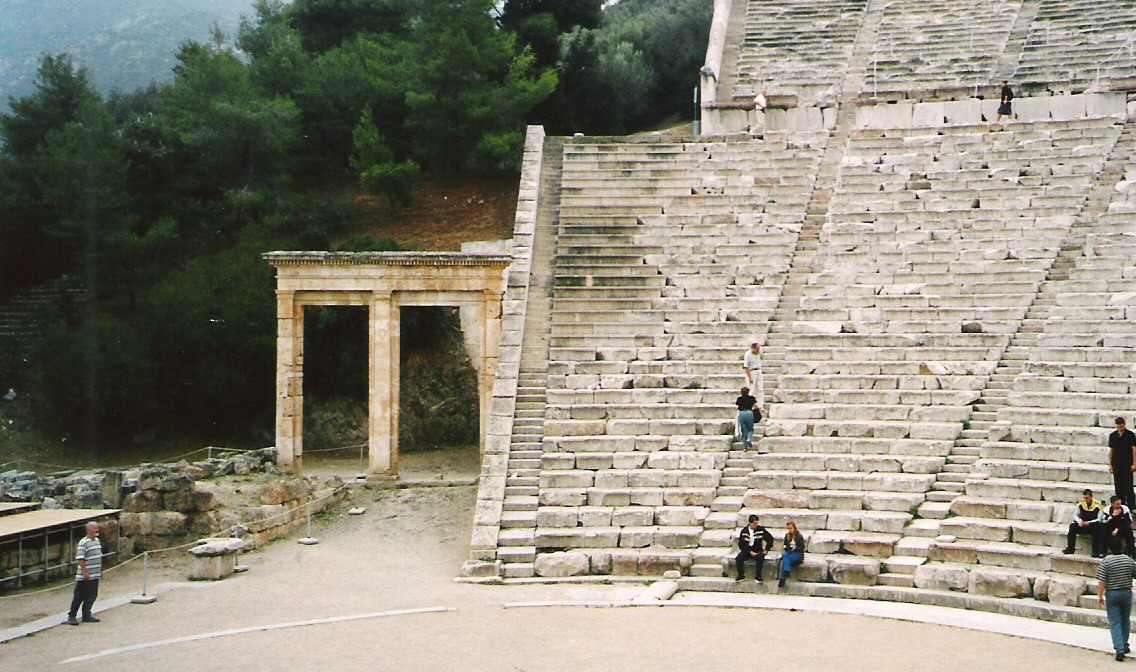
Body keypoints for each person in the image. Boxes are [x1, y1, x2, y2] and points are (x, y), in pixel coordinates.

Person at [1098, 537, 1136, 661]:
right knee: (1125, 620)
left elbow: (1102, 580)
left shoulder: (1106, 561)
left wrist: (1100, 595)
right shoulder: (1129, 560)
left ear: (1109, 548)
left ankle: (1119, 649)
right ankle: (1125, 644)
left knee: (1115, 621)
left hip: (1112, 593)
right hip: (1126, 592)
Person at [66, 521, 103, 626]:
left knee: (92, 595)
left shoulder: (97, 541)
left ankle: (86, 614)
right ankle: (72, 616)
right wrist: (85, 572)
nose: (97, 530)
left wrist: (100, 569)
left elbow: (99, 556)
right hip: (85, 576)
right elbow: (81, 559)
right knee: (79, 596)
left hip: (95, 574)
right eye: (95, 528)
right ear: (89, 530)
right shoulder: (83, 542)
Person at [1064, 488, 1106, 557]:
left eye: (1087, 498)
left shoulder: (1097, 505)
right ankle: (1070, 548)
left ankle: (1095, 551)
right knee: (1072, 526)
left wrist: (1089, 522)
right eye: (1084, 498)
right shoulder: (1081, 504)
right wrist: (1079, 521)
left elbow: (1099, 519)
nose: (1086, 500)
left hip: (1092, 525)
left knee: (1098, 527)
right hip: (1083, 525)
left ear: (1091, 497)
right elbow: (1075, 515)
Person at [736, 514, 775, 582]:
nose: (756, 525)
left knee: (760, 557)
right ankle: (741, 575)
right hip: (747, 550)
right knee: (739, 558)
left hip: (758, 550)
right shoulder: (744, 531)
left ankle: (758, 576)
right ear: (750, 523)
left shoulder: (761, 530)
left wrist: (767, 549)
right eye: (754, 523)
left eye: (757, 523)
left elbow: (770, 539)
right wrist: (750, 552)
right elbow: (741, 544)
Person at [1110, 417, 1136, 509]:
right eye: (1118, 427)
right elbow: (1111, 450)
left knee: (1128, 485)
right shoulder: (1113, 435)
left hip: (1127, 463)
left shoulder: (1130, 435)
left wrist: (1134, 463)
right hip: (1117, 464)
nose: (1120, 429)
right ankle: (1121, 505)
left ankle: (1132, 506)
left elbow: (1134, 449)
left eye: (1121, 426)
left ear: (1124, 425)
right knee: (1118, 486)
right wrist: (1110, 464)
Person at [778, 521, 806, 588]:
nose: (790, 530)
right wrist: (786, 547)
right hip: (789, 552)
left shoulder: (799, 536)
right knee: (785, 556)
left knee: (786, 561)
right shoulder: (787, 536)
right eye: (788, 529)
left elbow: (802, 547)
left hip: (797, 553)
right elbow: (785, 544)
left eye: (791, 528)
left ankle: (782, 578)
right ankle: (786, 572)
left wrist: (795, 548)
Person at [742, 343, 763, 408]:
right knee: (751, 390)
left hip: (758, 370)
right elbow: (746, 367)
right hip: (752, 371)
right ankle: (750, 405)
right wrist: (750, 377)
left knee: (760, 389)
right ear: (753, 348)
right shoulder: (748, 355)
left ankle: (760, 405)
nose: (758, 351)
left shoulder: (758, 353)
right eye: (757, 349)